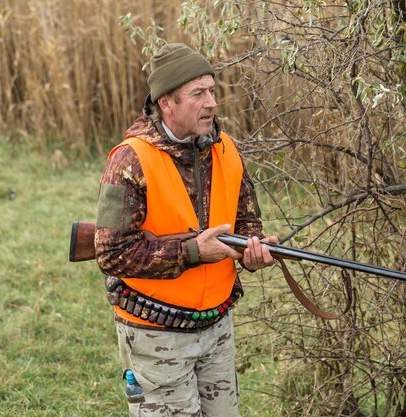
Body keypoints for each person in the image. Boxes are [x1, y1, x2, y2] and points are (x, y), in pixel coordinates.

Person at [94, 43, 277, 417]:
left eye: (212, 90)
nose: (211, 102)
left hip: (217, 326)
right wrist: (193, 252)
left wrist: (254, 252)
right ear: (166, 102)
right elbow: (110, 254)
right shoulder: (130, 159)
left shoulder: (227, 149)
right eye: (198, 94)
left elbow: (247, 225)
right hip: (155, 332)